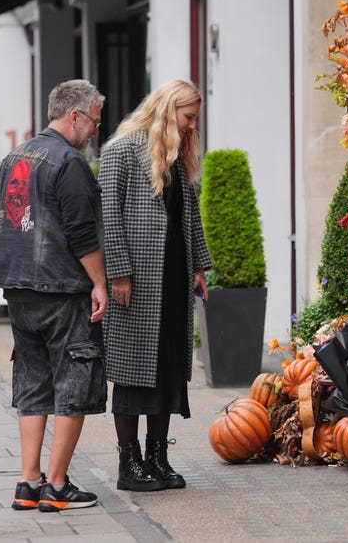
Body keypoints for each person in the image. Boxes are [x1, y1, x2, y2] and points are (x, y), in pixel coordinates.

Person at [0, 79, 108, 512]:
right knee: (72, 383)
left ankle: (28, 483)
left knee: (32, 383)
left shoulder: (14, 156)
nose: (96, 129)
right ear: (74, 115)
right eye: (94, 120)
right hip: (61, 288)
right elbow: (81, 233)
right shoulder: (69, 162)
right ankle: (56, 487)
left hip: (18, 287)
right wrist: (99, 283)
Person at [99, 79, 211, 492]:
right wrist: (119, 273)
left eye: (195, 118)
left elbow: (190, 215)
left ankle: (157, 457)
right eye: (189, 117)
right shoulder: (121, 150)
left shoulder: (177, 157)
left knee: (167, 368)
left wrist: (199, 266)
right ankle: (129, 465)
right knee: (133, 371)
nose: (193, 125)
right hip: (138, 281)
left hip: (174, 277)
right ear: (169, 110)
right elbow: (108, 215)